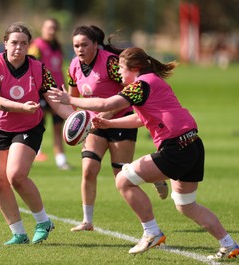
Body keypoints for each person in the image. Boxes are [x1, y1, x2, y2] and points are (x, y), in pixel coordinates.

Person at [48, 47, 239, 259]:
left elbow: (105, 103)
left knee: (123, 180)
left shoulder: (141, 85)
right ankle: (228, 244)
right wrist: (109, 123)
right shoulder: (151, 82)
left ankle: (151, 232)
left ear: (134, 68)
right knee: (186, 205)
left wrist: (71, 100)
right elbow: (141, 119)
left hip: (176, 148)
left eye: (121, 68)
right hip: (193, 144)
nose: (119, 73)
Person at [65, 25, 168, 232]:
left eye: (84, 44)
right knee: (88, 170)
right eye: (76, 46)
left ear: (95, 44)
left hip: (121, 118)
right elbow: (73, 97)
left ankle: (156, 177)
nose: (80, 49)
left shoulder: (110, 62)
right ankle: (87, 221)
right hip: (95, 123)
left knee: (122, 174)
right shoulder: (74, 66)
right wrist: (78, 122)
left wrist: (110, 114)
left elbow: (129, 89)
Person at [0, 22, 74, 245]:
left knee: (15, 175)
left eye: (23, 43)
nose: (18, 48)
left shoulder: (39, 68)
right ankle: (18, 233)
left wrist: (75, 119)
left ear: (29, 46)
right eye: (13, 43)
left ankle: (43, 222)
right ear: (5, 43)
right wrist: (21, 106)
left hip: (29, 127)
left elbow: (54, 99)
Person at [28, 18, 72, 170]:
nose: (51, 31)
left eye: (54, 28)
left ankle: (61, 160)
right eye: (48, 28)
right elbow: (32, 67)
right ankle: (34, 154)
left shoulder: (58, 47)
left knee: (58, 127)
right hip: (42, 92)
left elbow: (59, 69)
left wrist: (65, 89)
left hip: (57, 91)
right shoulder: (36, 46)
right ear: (42, 29)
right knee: (38, 124)